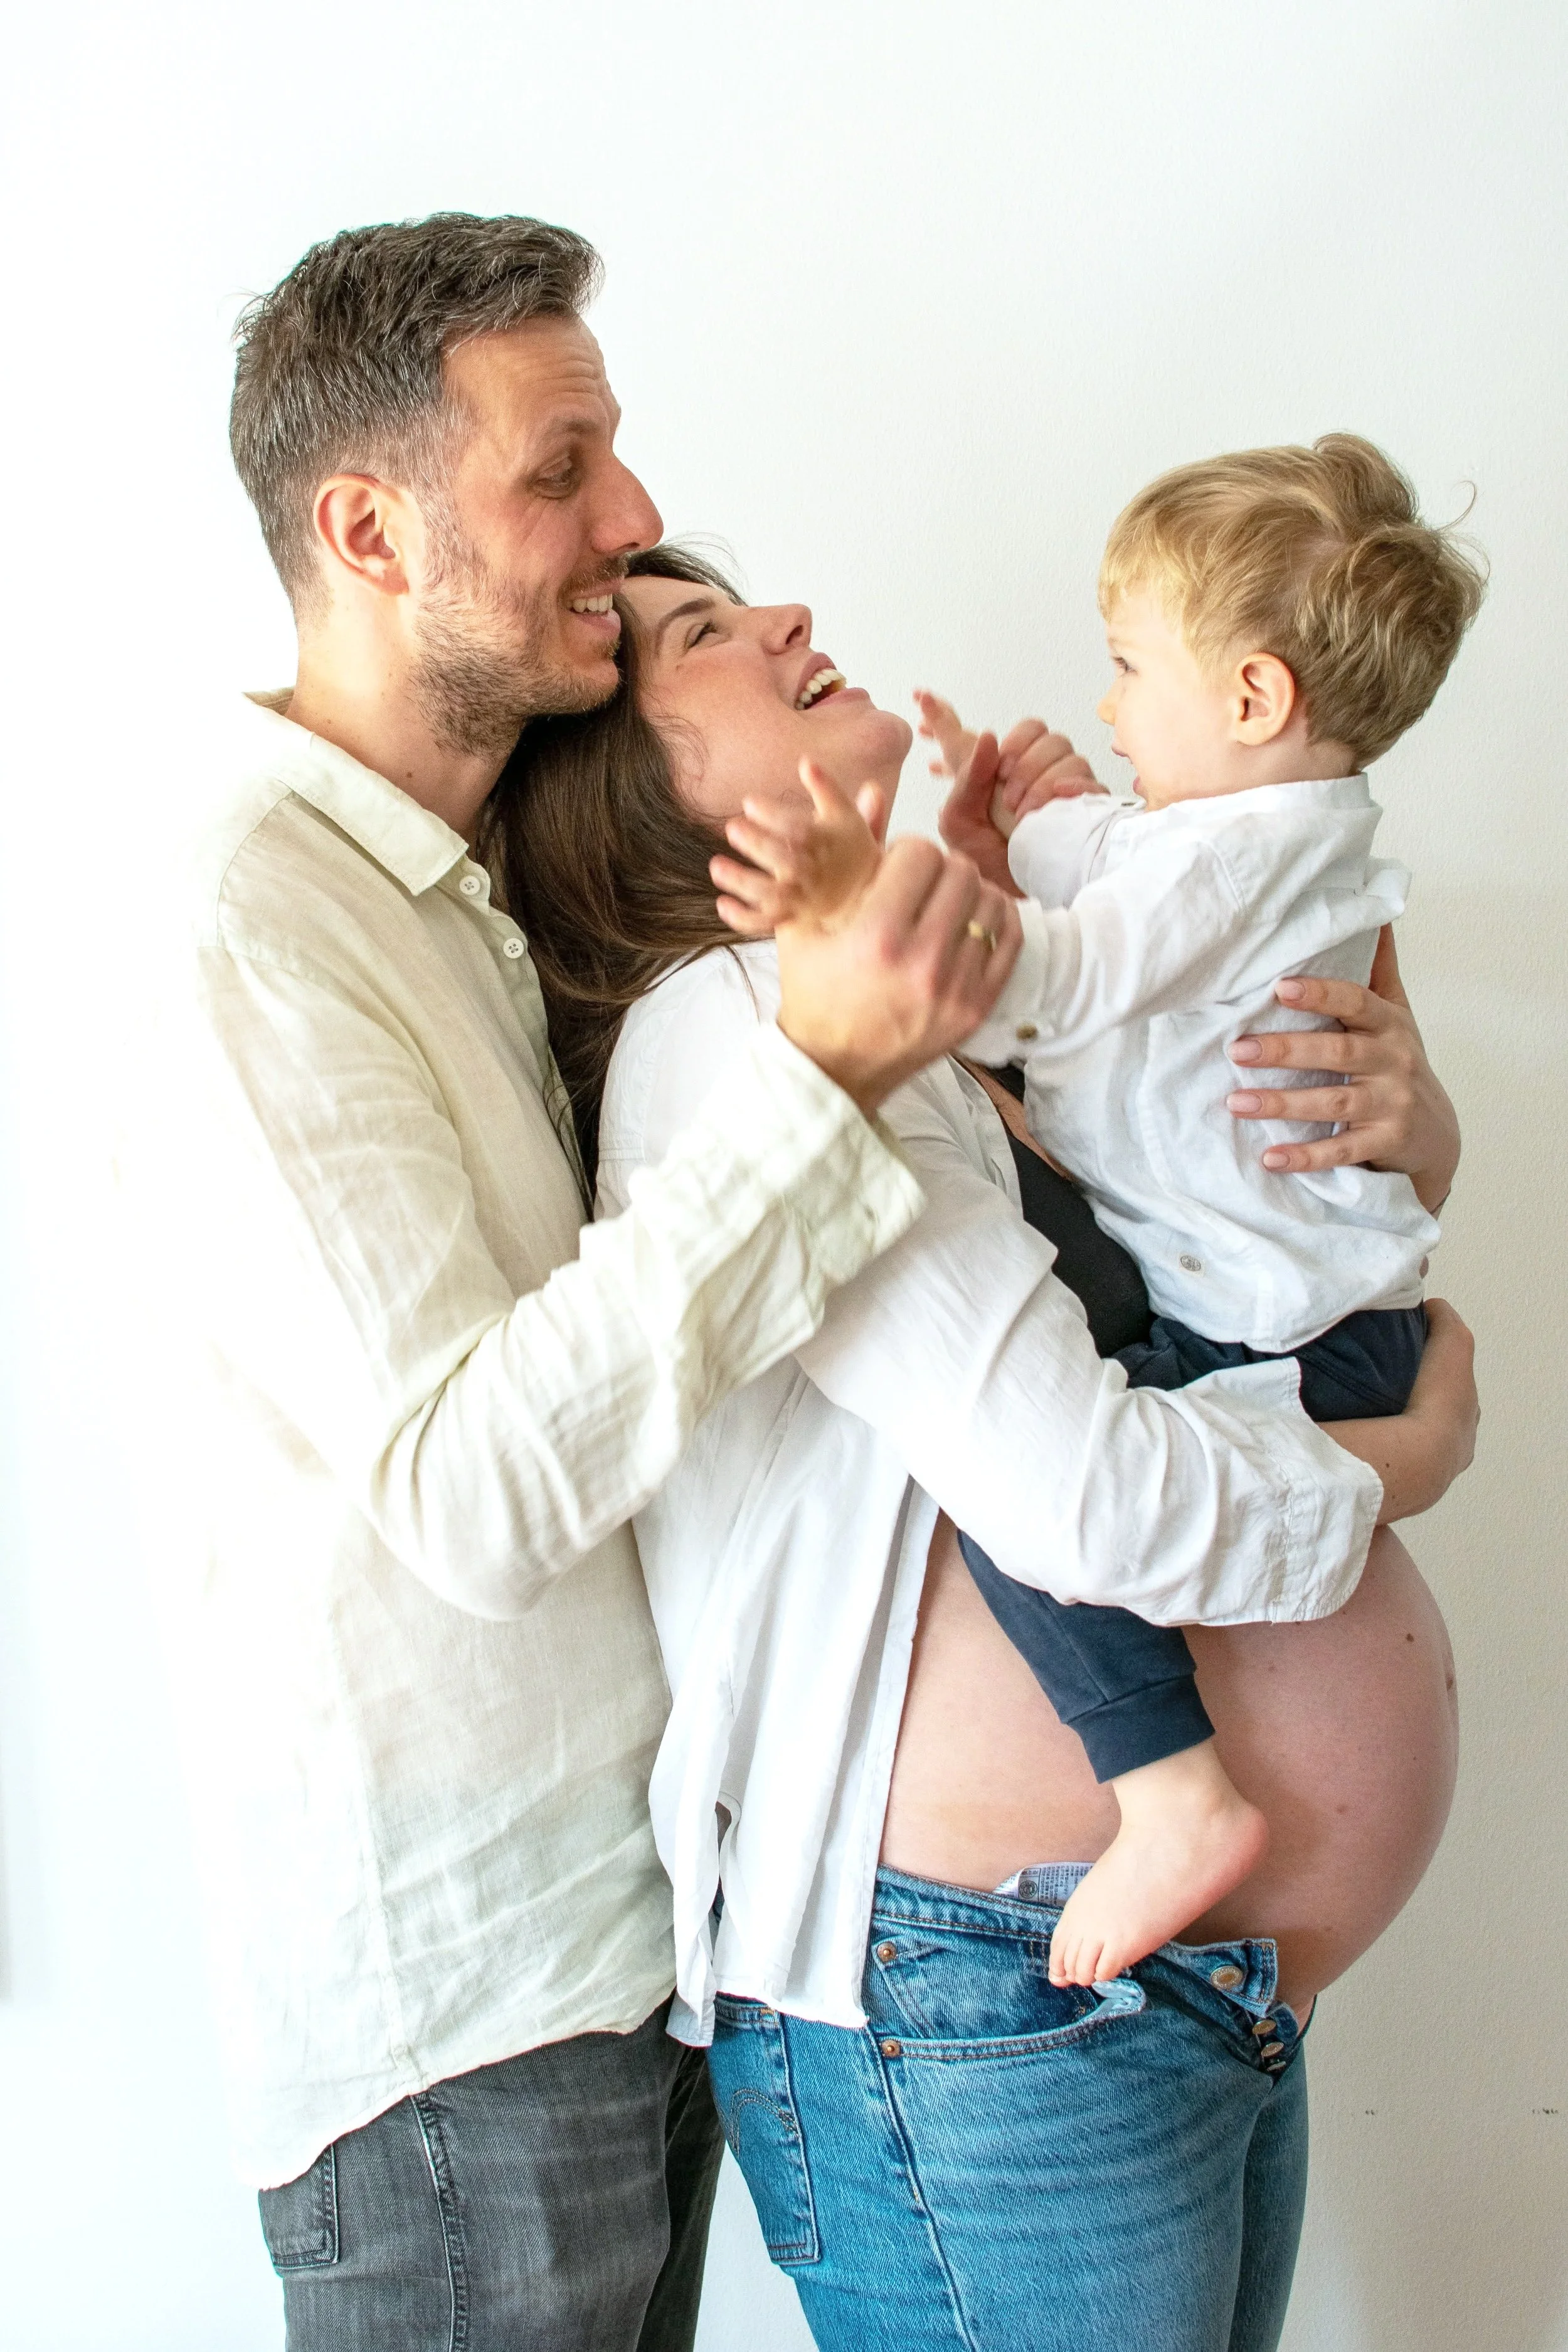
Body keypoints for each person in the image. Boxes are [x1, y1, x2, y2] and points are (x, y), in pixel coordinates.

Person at [138, 213, 1024, 2352]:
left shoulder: (464, 892)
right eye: (561, 472)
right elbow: (470, 1487)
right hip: (466, 2030)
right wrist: (822, 1082)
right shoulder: (250, 916)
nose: (628, 527)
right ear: (367, 526)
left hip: (631, 1964)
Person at [494, 543, 1476, 2352]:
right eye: (703, 634)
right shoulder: (750, 1040)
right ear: (634, 801)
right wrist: (1396, 1460)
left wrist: (1417, 1140)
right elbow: (1085, 1497)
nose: (787, 614)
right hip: (985, 2003)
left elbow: (1235, 1215)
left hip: (1108, 1989)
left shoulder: (908, 1023)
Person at [717, 432, 1486, 1992]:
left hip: (1286, 1334)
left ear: (1254, 701)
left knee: (1019, 1520)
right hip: (1321, 1345)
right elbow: (1122, 869)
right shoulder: (1258, 840)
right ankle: (1170, 1790)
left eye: (1127, 672)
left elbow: (1073, 964)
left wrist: (881, 887)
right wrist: (1040, 818)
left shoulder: (1232, 867)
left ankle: (1168, 1789)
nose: (1110, 707)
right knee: (1026, 1490)